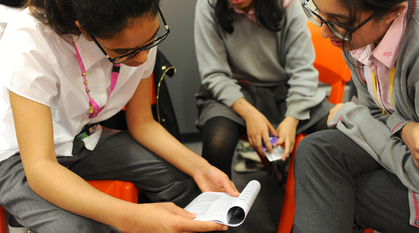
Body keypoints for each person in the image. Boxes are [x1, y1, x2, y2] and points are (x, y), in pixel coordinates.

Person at [0, 0, 240, 232]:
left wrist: (200, 167)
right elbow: (40, 166)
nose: (143, 58)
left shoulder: (139, 36)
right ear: (84, 28)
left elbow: (143, 124)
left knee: (186, 181)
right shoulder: (31, 39)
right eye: (123, 52)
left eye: (151, 41)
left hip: (85, 139)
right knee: (80, 229)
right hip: (20, 158)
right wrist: (132, 218)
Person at [293, 0, 419, 232]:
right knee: (316, 150)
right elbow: (375, 112)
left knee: (331, 195)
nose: (323, 32)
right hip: (402, 149)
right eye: (319, 14)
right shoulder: (360, 40)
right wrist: (402, 126)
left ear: (393, 12)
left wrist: (354, 116)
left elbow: (415, 171)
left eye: (340, 22)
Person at [194, 0, 333, 178]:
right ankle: (216, 204)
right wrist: (249, 114)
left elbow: (302, 71)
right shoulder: (208, 5)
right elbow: (214, 75)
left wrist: (292, 119)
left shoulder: (288, 4)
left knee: (336, 131)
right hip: (233, 93)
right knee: (217, 143)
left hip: (286, 92)